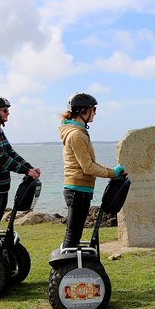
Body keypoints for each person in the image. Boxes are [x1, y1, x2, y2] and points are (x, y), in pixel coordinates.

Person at [59, 93, 125, 248]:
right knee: (72, 236)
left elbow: (91, 163)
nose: (95, 113)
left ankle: (71, 268)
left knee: (74, 235)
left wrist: (112, 171)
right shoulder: (76, 134)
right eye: (93, 109)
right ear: (83, 110)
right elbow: (87, 167)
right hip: (77, 190)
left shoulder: (79, 132)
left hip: (80, 190)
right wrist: (111, 173)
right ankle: (64, 270)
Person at [0, 96, 41, 239]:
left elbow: (11, 153)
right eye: (5, 110)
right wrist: (25, 171)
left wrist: (30, 168)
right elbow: (2, 159)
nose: (8, 113)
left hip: (1, 187)